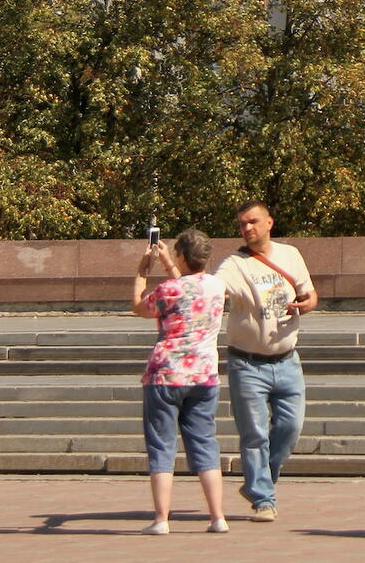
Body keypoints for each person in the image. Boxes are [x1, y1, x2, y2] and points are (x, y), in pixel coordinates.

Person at [215, 201, 317, 522]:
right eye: (242, 224)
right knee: (255, 435)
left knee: (291, 427)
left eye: (253, 222)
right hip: (247, 364)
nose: (247, 228)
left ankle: (260, 480)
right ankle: (263, 499)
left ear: (269, 222)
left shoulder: (290, 255)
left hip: (287, 361)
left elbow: (310, 295)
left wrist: (304, 305)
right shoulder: (234, 264)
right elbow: (214, 286)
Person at [132, 229, 229, 535]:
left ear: (183, 257)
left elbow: (138, 305)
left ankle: (161, 519)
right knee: (204, 443)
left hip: (166, 374)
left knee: (162, 445)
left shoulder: (167, 291)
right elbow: (189, 286)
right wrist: (168, 264)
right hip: (204, 374)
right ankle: (217, 517)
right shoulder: (217, 286)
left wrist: (143, 270)